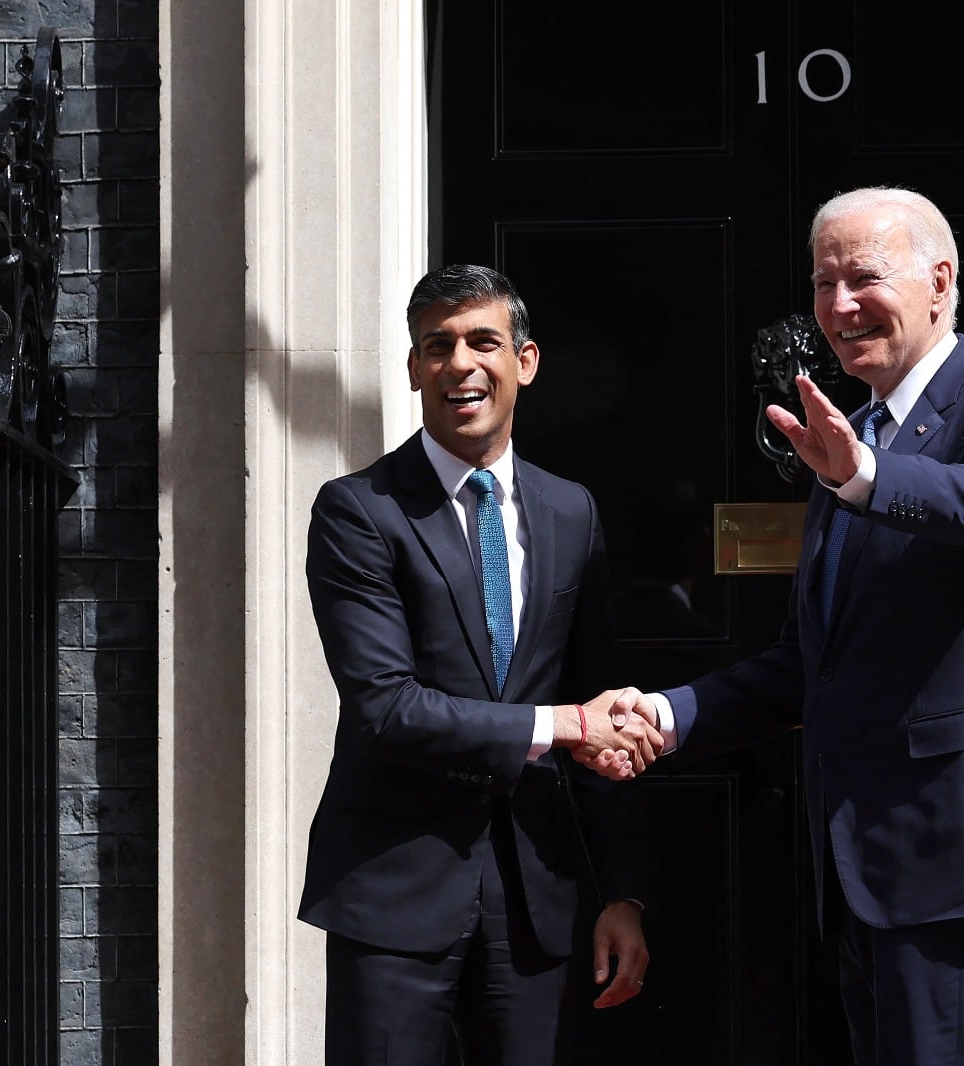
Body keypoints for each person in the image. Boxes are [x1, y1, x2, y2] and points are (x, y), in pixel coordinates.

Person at [636, 186, 964, 1065]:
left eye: (863, 278)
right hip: (864, 857)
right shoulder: (852, 444)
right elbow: (811, 663)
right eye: (822, 282)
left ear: (939, 281)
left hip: (952, 848)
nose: (839, 306)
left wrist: (867, 478)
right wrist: (667, 715)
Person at [298, 264, 662, 1064]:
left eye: (482, 341)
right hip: (393, 889)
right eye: (438, 345)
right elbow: (385, 707)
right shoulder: (359, 510)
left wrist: (622, 893)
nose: (460, 364)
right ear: (413, 368)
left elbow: (600, 702)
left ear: (524, 362)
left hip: (538, 892)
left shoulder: (572, 510)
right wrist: (565, 726)